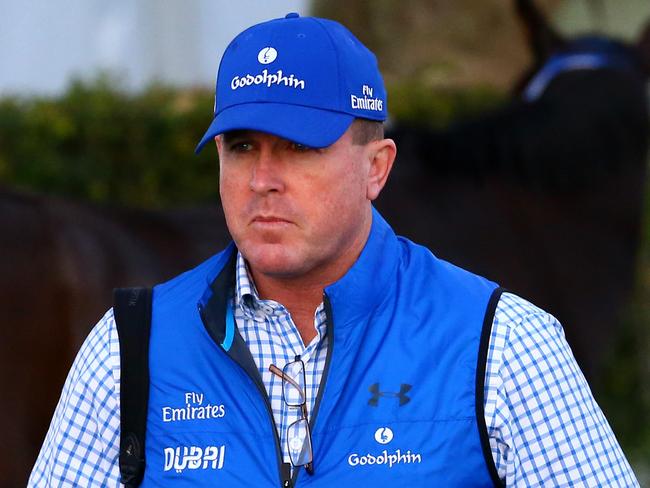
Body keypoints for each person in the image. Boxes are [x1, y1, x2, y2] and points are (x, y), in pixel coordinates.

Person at [29, 13, 639, 487]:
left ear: (377, 168)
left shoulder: (506, 346)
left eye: (299, 147)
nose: (263, 177)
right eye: (241, 146)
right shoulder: (128, 347)